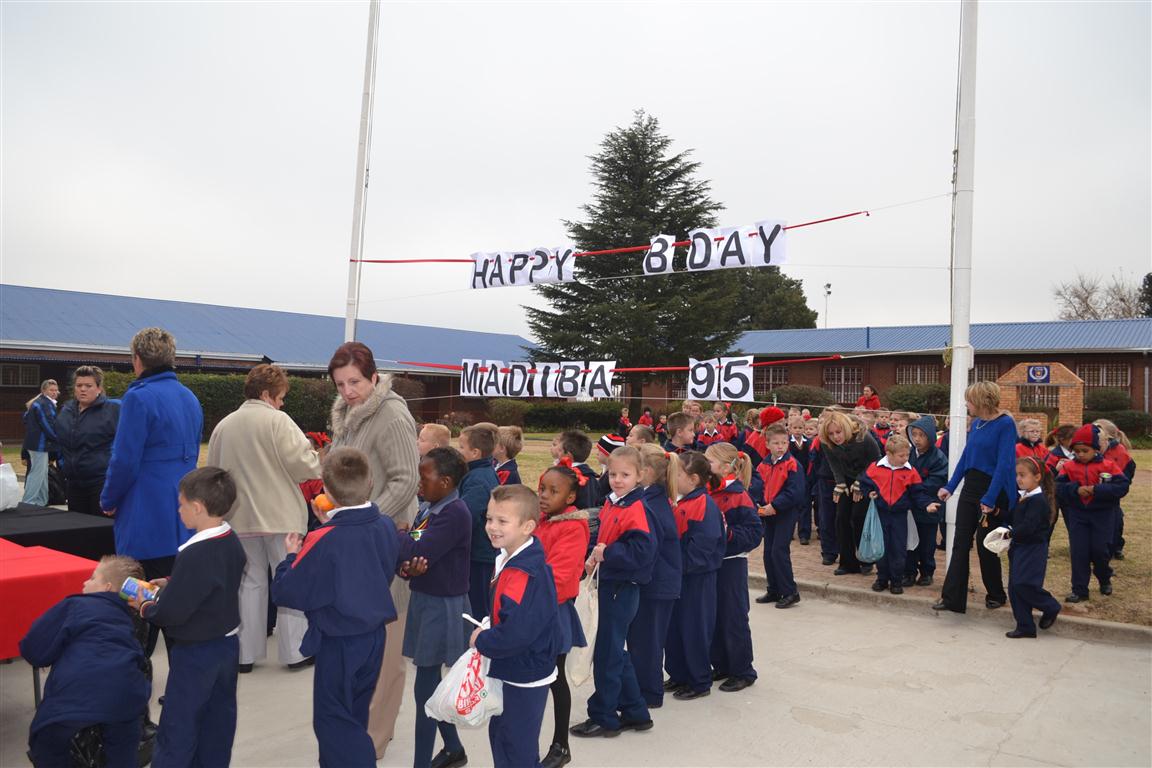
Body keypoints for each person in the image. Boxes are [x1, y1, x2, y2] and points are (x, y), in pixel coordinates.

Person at [272, 448, 400, 767]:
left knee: (332, 721)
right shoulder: (386, 525)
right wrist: (329, 525)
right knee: (354, 713)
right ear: (370, 482)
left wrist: (290, 557)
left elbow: (287, 591)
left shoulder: (324, 538)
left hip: (340, 640)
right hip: (374, 636)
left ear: (326, 491)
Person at [326, 341, 419, 758]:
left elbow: (405, 480)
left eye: (355, 382)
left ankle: (373, 740)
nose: (348, 391)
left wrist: (363, 521)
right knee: (359, 643)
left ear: (374, 377)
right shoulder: (348, 415)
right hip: (353, 542)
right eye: (340, 384)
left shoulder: (392, 414)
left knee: (386, 646)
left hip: (384, 543)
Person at [205, 363, 320, 673]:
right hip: (281, 516)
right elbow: (304, 465)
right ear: (268, 394)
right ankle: (295, 652)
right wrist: (317, 456)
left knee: (249, 583)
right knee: (289, 579)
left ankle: (244, 654)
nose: (282, 404)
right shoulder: (279, 421)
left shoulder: (224, 425)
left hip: (238, 516)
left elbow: (213, 471)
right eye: (280, 397)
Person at [128, 467, 246, 768]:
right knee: (217, 723)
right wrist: (173, 582)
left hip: (196, 653)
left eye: (181, 504)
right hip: (227, 647)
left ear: (197, 507)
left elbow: (171, 613)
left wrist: (146, 606)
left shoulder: (194, 553)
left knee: (179, 726)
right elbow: (212, 582)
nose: (178, 510)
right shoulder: (231, 539)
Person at [102, 327, 204, 656]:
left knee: (139, 606)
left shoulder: (138, 397)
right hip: (183, 511)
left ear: (137, 359)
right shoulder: (189, 397)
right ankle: (183, 679)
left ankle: (136, 673)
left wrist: (109, 499)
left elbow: (124, 460)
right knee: (177, 605)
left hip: (145, 513)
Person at [20, 555, 151, 768]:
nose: (84, 582)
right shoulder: (136, 618)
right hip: (127, 694)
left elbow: (33, 649)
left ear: (107, 587)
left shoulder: (75, 605)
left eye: (92, 578)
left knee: (47, 744)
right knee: (123, 753)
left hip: (76, 694)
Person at [471, 485, 562, 768]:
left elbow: (517, 634)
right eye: (489, 518)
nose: (492, 527)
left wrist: (482, 640)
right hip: (512, 666)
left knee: (517, 746)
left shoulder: (524, 571)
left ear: (528, 527)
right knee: (502, 735)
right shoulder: (509, 557)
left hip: (524, 671)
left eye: (502, 521)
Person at [570, 446, 656, 739]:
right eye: (613, 474)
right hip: (610, 582)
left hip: (622, 587)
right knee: (614, 649)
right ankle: (635, 711)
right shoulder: (613, 502)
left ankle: (604, 716)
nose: (617, 480)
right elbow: (605, 537)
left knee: (607, 653)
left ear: (640, 476)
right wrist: (594, 555)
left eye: (625, 475)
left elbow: (642, 552)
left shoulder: (637, 508)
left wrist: (607, 554)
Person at [394, 447, 471, 768]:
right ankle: (453, 748)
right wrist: (407, 565)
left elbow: (418, 548)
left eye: (424, 477)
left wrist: (398, 533)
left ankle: (421, 762)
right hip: (425, 598)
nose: (418, 483)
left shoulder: (454, 513)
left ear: (446, 481)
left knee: (425, 688)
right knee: (429, 685)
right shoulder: (429, 509)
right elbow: (413, 557)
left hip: (443, 606)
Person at [933, 382, 1018, 614]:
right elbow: (966, 457)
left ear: (981, 401)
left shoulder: (1005, 424)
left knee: (985, 544)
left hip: (993, 489)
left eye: (969, 400)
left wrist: (990, 498)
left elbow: (1004, 464)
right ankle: (952, 599)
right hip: (971, 487)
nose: (966, 405)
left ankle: (996, 594)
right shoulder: (977, 423)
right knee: (960, 543)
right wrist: (950, 486)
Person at [535, 464, 592, 768]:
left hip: (551, 611)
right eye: (542, 488)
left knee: (554, 678)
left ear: (570, 498)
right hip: (532, 608)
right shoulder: (542, 521)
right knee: (537, 677)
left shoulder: (572, 527)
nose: (544, 495)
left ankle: (561, 745)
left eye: (553, 491)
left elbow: (559, 576)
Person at [663, 451, 725, 700]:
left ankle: (699, 681)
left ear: (694, 479)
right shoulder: (682, 500)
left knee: (695, 628)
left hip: (697, 578)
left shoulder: (703, 504)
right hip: (680, 575)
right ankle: (678, 674)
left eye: (678, 474)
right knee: (675, 628)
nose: (673, 478)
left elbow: (703, 546)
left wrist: (677, 565)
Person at [703, 443, 762, 693]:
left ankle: (743, 670)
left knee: (733, 616)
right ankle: (722, 664)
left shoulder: (738, 495)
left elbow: (754, 533)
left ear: (726, 467)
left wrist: (728, 534)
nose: (705, 466)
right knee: (715, 616)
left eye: (710, 462)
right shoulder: (708, 492)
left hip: (732, 563)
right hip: (713, 563)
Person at [627, 444, 681, 709]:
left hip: (656, 584)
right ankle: (646, 689)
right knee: (645, 640)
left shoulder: (651, 504)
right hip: (658, 581)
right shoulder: (652, 499)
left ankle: (648, 694)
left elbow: (647, 549)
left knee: (647, 642)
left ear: (646, 471)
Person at [1056, 424, 1131, 602]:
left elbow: (1122, 486)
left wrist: (1097, 490)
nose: (1081, 454)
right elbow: (1058, 487)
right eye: (1077, 451)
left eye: (1085, 451)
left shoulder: (1109, 466)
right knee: (1079, 552)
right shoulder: (1069, 467)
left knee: (1100, 550)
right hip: (1078, 515)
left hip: (1103, 515)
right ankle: (1079, 589)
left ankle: (1104, 578)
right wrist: (1075, 490)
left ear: (1095, 449)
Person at [856, 434, 929, 595]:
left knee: (898, 549)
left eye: (907, 455)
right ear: (889, 454)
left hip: (899, 516)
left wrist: (927, 504)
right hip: (880, 514)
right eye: (901, 456)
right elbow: (864, 483)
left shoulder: (910, 471)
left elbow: (918, 493)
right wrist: (869, 493)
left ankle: (896, 580)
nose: (905, 459)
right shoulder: (875, 467)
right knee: (881, 546)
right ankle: (882, 578)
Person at [1003, 457, 1062, 638]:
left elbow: (1029, 527)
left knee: (1024, 584)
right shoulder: (1024, 497)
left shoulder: (1038, 501)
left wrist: (1010, 534)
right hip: (1019, 547)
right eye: (1017, 475)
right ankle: (1025, 626)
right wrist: (996, 513)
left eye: (1023, 475)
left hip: (1033, 548)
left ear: (1037, 477)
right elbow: (1013, 517)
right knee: (1014, 588)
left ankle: (1051, 606)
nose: (1018, 479)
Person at [820, 411, 881, 578]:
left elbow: (876, 460)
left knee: (859, 517)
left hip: (867, 478)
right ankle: (847, 562)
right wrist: (840, 482)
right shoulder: (826, 442)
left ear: (846, 429)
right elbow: (833, 463)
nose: (835, 437)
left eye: (838, 432)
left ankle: (866, 559)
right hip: (846, 479)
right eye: (831, 434)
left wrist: (861, 481)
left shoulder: (864, 438)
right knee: (841, 518)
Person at [750, 424, 805, 608]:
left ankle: (790, 591)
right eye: (776, 443)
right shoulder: (763, 464)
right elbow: (757, 486)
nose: (780, 446)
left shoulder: (792, 464)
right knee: (768, 552)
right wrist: (758, 503)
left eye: (784, 443)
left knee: (779, 551)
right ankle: (773, 589)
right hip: (767, 512)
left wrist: (775, 505)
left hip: (785, 512)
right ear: (767, 444)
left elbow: (795, 491)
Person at [54, 366, 119, 516]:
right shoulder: (66, 411)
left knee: (101, 528)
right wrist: (63, 465)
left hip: (100, 483)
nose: (83, 389)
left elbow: (126, 444)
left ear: (99, 388)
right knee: (77, 527)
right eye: (79, 385)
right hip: (73, 484)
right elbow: (59, 441)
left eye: (88, 386)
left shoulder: (113, 410)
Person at [459, 424, 501, 618]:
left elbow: (465, 515)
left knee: (476, 605)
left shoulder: (477, 480)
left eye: (462, 447)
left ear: (475, 452)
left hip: (479, 554)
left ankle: (479, 634)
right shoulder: (481, 472)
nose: (459, 451)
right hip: (480, 551)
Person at [905, 415, 948, 587]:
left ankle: (927, 572)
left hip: (929, 507)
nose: (917, 439)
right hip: (910, 507)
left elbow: (936, 482)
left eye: (921, 435)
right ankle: (909, 572)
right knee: (910, 542)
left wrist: (913, 486)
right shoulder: (908, 454)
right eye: (914, 434)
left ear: (930, 436)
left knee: (927, 544)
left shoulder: (938, 457)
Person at [1094, 419, 1136, 561]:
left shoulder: (1119, 451)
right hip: (1095, 492)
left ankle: (1116, 546)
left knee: (1115, 519)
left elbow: (1127, 469)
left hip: (1111, 492)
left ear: (1107, 437)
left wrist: (1117, 487)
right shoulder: (1093, 449)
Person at [21, 378, 60, 507]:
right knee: (37, 473)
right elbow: (48, 425)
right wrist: (58, 438)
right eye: (51, 390)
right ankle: (28, 502)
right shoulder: (44, 404)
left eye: (56, 390)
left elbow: (26, 419)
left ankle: (42, 501)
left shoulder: (38, 403)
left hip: (36, 444)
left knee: (42, 473)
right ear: (44, 391)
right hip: (40, 445)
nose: (54, 392)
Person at [551, 430, 601, 509]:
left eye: (560, 450)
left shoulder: (566, 477)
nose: (558, 453)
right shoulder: (591, 477)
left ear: (568, 455)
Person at [788, 417, 813, 544]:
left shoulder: (809, 443)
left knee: (805, 506)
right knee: (790, 506)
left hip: (806, 479)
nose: (797, 430)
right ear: (790, 428)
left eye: (800, 428)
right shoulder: (787, 443)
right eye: (795, 428)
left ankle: (804, 534)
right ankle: (788, 532)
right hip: (791, 479)